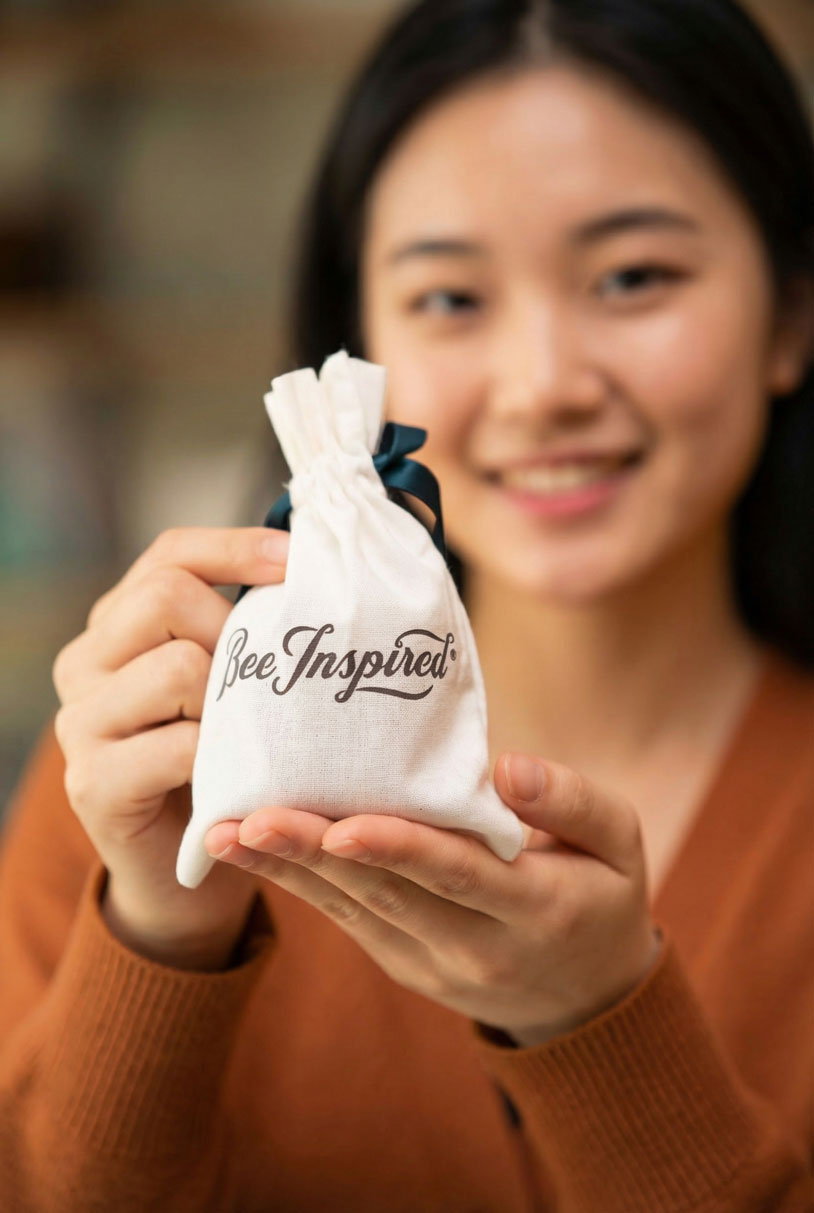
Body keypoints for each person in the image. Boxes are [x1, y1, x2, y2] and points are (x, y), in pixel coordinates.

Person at [1, 0, 812, 1208]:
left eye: (634, 276)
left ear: (790, 315)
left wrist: (593, 1022)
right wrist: (161, 932)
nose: (543, 387)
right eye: (449, 298)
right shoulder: (159, 772)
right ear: (356, 345)